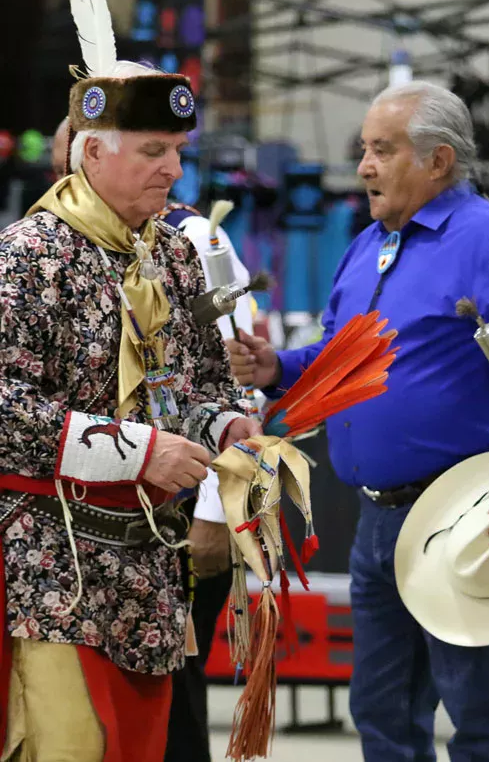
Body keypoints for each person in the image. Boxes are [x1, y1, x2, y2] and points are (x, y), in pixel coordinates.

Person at [226, 81, 489, 761]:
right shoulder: (368, 246)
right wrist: (279, 368)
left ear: (438, 161)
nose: (363, 167)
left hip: (464, 513)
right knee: (382, 710)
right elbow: (341, 356)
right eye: (364, 150)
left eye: (381, 151)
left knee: (478, 711)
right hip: (377, 521)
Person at [0, 54, 260, 761]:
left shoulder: (172, 255)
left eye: (177, 151)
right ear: (90, 151)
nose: (173, 170)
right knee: (69, 744)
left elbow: (201, 386)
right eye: (153, 151)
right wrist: (142, 451)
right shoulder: (28, 256)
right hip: (46, 564)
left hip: (149, 569)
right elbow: (3, 408)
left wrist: (229, 423)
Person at [158, 200, 256, 762]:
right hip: (115, 505)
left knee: (177, 683)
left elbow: (236, 380)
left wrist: (215, 515)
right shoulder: (66, 237)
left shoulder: (190, 235)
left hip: (190, 505)